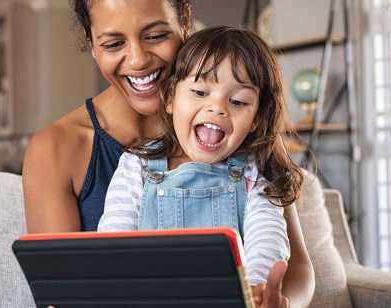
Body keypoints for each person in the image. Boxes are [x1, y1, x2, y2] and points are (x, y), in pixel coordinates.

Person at [22, 1, 315, 307]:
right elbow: (60, 292)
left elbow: (294, 268)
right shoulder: (56, 149)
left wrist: (267, 300)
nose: (137, 60)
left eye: (155, 36)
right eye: (113, 43)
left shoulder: (241, 137)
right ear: (91, 43)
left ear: (185, 20)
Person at [97, 26, 301, 306]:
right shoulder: (137, 166)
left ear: (256, 119)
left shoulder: (255, 173)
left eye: (238, 101)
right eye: (199, 91)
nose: (217, 108)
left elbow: (268, 236)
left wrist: (255, 288)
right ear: (170, 99)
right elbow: (112, 241)